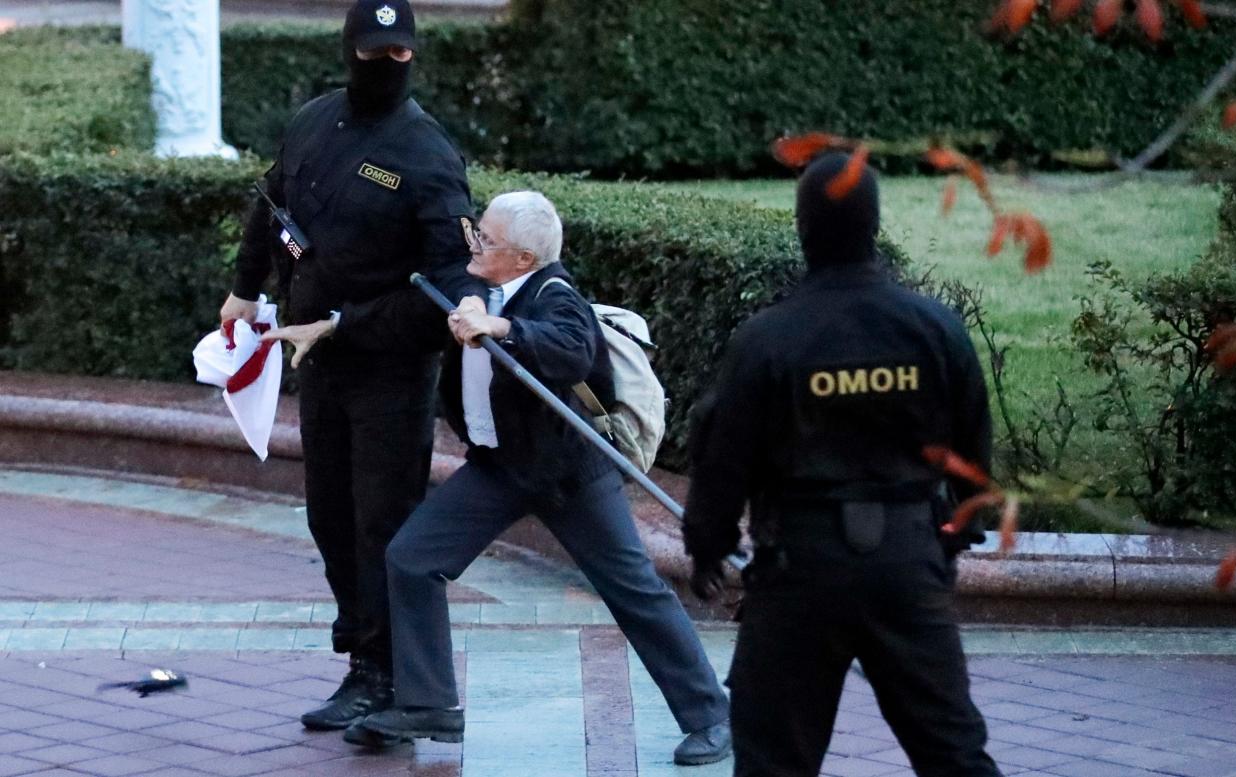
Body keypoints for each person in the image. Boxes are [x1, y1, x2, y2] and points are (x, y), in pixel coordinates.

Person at [345, 191, 733, 765]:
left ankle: (712, 715)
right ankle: (429, 706)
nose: (474, 243)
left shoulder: (557, 297)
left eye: (488, 239)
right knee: (412, 557)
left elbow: (573, 351)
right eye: (478, 231)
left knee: (633, 590)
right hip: (499, 468)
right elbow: (435, 300)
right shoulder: (482, 282)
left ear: (524, 258)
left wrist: (499, 329)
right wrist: (334, 324)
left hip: (567, 474)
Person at [682, 153, 1003, 777]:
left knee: (775, 759)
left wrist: (707, 546)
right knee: (953, 752)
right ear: (875, 224)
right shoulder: (934, 328)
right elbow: (972, 453)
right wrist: (946, 548)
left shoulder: (769, 337)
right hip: (908, 560)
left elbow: (723, 457)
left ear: (801, 227)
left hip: (800, 565)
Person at [218, 0, 481, 732]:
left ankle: (387, 674)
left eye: (400, 54)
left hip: (391, 372)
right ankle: (360, 653)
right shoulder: (313, 122)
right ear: (348, 49)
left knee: (383, 524)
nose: (386, 65)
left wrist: (344, 323)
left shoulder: (428, 154)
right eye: (373, 51)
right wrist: (245, 288)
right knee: (329, 514)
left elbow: (447, 291)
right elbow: (269, 204)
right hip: (319, 364)